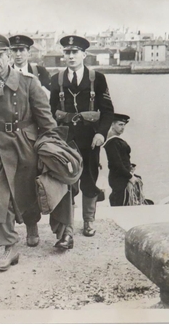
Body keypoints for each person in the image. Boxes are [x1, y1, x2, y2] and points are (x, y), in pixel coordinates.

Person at [0, 32, 57, 271]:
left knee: (26, 192)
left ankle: (32, 224)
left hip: (23, 144)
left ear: (8, 55)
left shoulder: (28, 82)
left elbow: (46, 121)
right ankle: (9, 247)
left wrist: (50, 150)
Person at [49, 35, 114, 240]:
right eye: (67, 52)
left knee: (89, 179)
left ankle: (88, 221)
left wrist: (101, 134)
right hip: (66, 141)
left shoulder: (98, 78)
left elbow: (108, 111)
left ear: (84, 54)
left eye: (74, 52)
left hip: (90, 140)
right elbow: (50, 111)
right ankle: (67, 226)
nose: (70, 56)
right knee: (67, 182)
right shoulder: (56, 80)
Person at [103, 114, 151, 206]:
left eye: (124, 125)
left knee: (127, 202)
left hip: (122, 176)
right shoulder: (112, 143)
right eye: (120, 124)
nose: (123, 127)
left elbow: (122, 160)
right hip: (119, 178)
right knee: (121, 203)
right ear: (112, 125)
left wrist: (130, 167)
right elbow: (116, 164)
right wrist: (130, 177)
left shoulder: (117, 141)